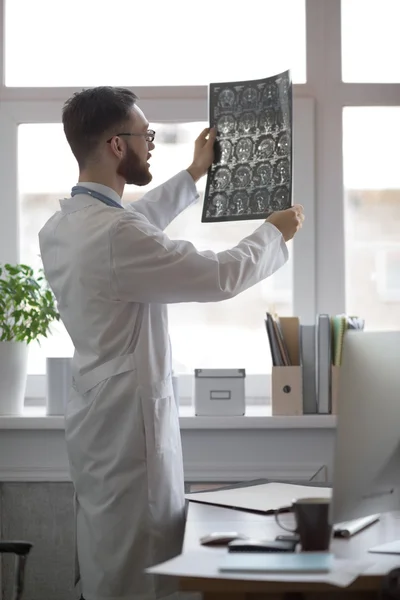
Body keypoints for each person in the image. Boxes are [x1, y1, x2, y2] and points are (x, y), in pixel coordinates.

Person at [38, 86, 304, 600]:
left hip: (101, 427)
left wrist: (194, 174)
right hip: (127, 437)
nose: (152, 144)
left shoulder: (66, 226)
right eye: (146, 135)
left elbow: (134, 224)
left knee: (111, 565)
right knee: (133, 578)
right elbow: (217, 275)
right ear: (118, 145)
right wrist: (273, 233)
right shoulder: (113, 235)